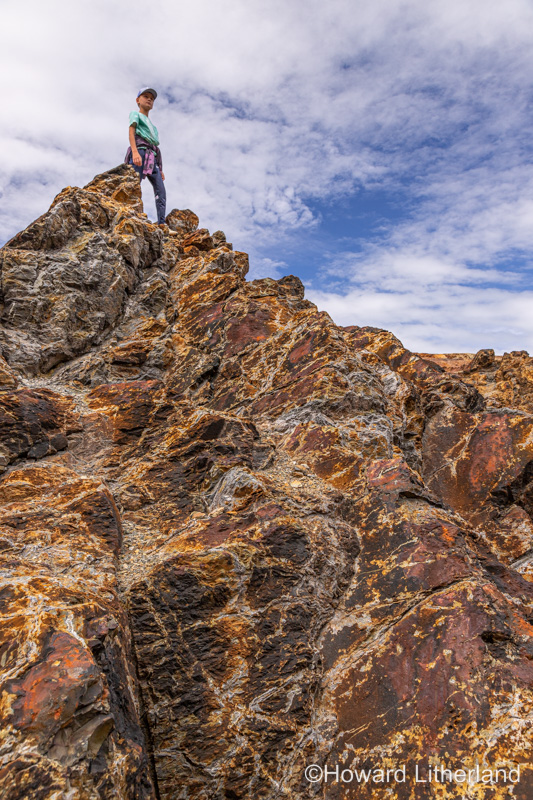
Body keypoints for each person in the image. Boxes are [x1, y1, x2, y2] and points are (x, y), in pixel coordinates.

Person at [124, 88, 166, 225]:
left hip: (152, 157)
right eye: (146, 96)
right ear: (138, 100)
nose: (149, 99)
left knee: (160, 190)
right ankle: (129, 213)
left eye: (152, 98)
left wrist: (160, 168)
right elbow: (132, 133)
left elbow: (156, 147)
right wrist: (135, 152)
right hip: (140, 151)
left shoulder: (153, 127)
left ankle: (161, 222)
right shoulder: (135, 114)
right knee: (134, 184)